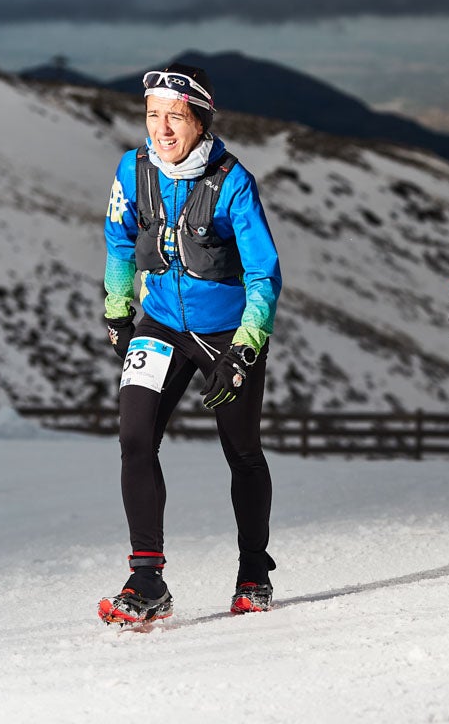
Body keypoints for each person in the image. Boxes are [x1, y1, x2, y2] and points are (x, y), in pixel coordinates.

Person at [98, 63, 283, 625]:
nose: (162, 129)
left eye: (175, 117)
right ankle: (147, 579)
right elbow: (119, 239)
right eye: (153, 116)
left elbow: (264, 275)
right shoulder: (132, 172)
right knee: (134, 437)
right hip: (158, 326)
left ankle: (254, 571)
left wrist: (247, 347)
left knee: (242, 451)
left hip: (227, 336)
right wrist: (117, 307)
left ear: (201, 121)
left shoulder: (233, 183)